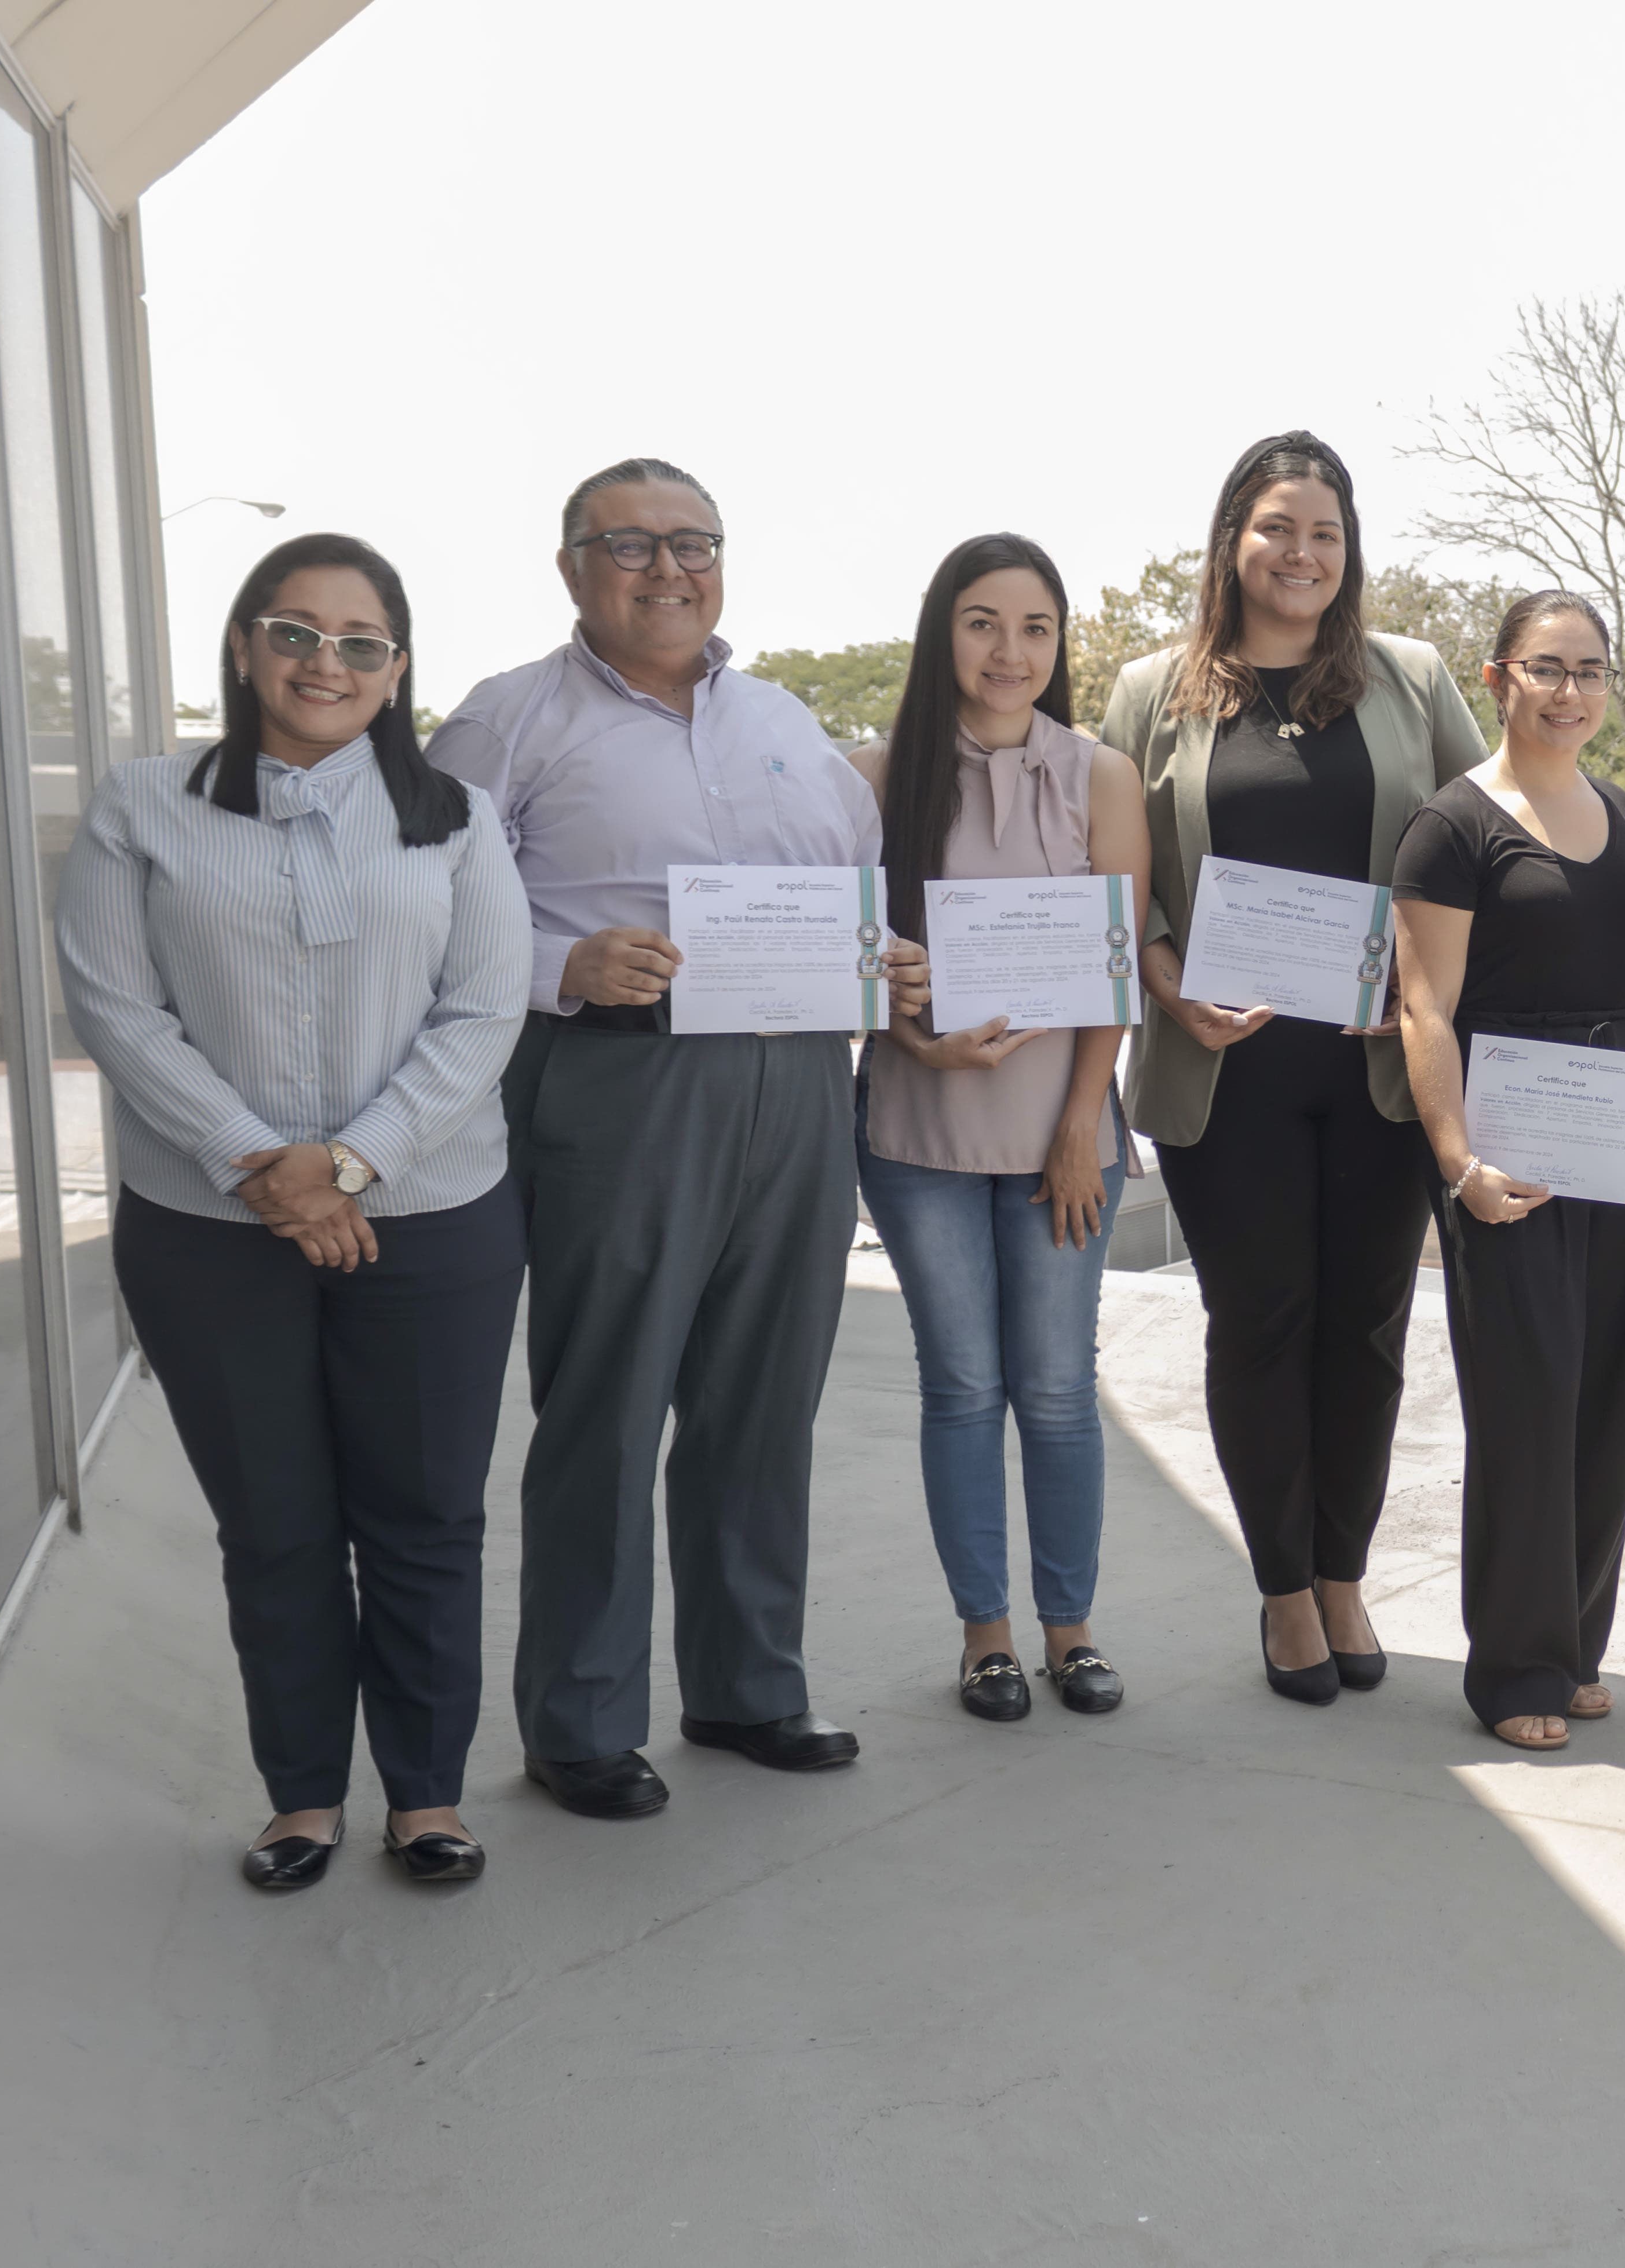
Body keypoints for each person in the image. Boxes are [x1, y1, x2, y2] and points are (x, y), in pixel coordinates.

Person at [428, 458, 927, 1821]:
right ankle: (581, 1716)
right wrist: (560, 963)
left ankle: (749, 1683)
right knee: (610, 1397)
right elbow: (419, 905)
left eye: (692, 543)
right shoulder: (506, 722)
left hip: (799, 1090)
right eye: (631, 545)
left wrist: (882, 957)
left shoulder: (782, 721)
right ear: (572, 567)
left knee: (765, 1398)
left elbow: (842, 890)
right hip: (617, 1082)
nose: (668, 570)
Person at [56, 533, 525, 1887]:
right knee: (275, 1521)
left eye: (361, 640)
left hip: (432, 1215)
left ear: (396, 667)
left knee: (427, 1514)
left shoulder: (455, 815)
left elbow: (485, 1009)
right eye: (298, 632)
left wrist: (353, 1162)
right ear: (248, 646)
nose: (328, 661)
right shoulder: (145, 803)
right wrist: (263, 1162)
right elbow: (114, 1003)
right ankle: (304, 1794)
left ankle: (428, 1793)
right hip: (210, 1227)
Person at [1100, 432, 1490, 1705]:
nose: (1302, 554)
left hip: (1380, 1068)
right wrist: (1169, 982)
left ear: (1350, 550)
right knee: (1261, 1320)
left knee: (1368, 1328)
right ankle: (1281, 1584)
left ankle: (1343, 1570)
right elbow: (1120, 884)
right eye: (1277, 528)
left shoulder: (1413, 676)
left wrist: (1427, 979)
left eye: (1325, 532)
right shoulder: (1153, 689)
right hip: (1228, 1072)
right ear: (1232, 542)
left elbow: (1480, 845)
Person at [849, 535, 1149, 1725]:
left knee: (1061, 1389)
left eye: (1036, 627)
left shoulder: (1101, 775)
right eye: (982, 623)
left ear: (1061, 644)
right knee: (963, 1386)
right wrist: (914, 1040)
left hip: (1058, 1136)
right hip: (918, 1130)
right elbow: (850, 957)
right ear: (943, 635)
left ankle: (1070, 1629)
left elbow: (1114, 974)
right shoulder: (876, 773)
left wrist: (1083, 1125)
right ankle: (986, 1635)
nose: (1010, 651)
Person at [1388, 592, 1625, 1748]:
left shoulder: (1619, 807)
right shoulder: (1450, 826)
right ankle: (1514, 1667)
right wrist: (1458, 1161)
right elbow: (1424, 1003)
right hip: (1508, 1145)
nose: (1571, 690)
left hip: (1621, 1135)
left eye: (1591, 669)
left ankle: (1574, 1642)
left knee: (1606, 1396)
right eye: (1547, 668)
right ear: (1499, 676)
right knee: (1527, 1403)